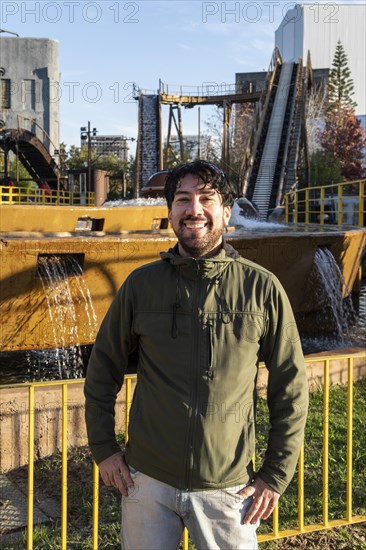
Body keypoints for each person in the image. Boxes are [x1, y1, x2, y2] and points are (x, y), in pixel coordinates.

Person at [84, 160, 309, 550]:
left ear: (226, 210)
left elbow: (291, 388)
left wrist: (275, 474)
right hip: (147, 484)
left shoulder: (262, 288)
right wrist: (104, 450)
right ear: (170, 211)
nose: (195, 210)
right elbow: (102, 370)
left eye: (207, 198)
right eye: (183, 199)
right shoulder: (141, 286)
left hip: (229, 489)